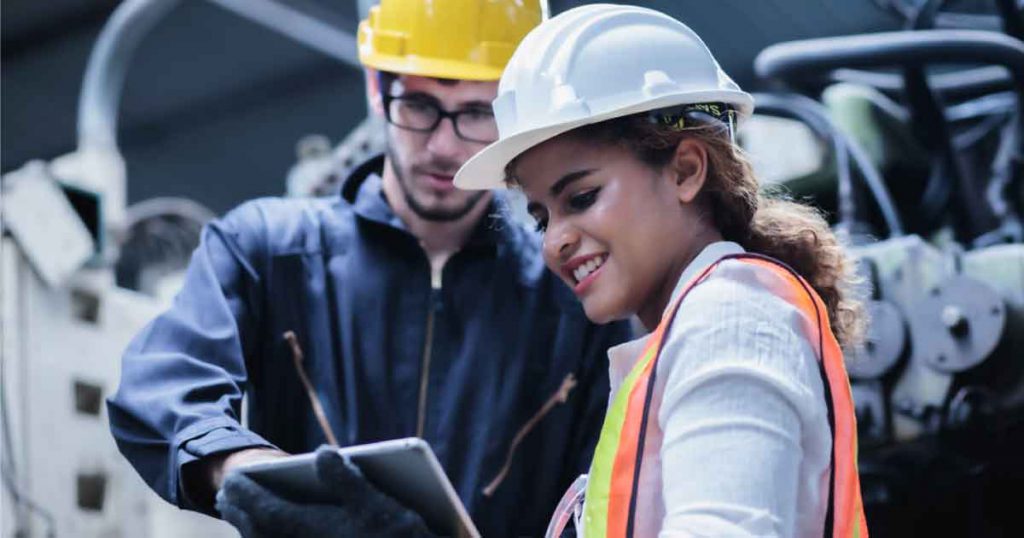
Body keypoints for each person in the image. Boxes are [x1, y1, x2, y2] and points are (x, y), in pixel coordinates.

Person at [106, 1, 632, 536]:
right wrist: (242, 470)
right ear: (377, 91)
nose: (445, 145)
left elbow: (609, 498)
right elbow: (161, 387)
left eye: (478, 112)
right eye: (421, 104)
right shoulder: (266, 250)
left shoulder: (570, 298)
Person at [454, 4, 869, 537]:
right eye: (541, 218)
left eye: (581, 197)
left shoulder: (729, 323)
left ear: (685, 171)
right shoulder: (697, 332)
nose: (554, 240)